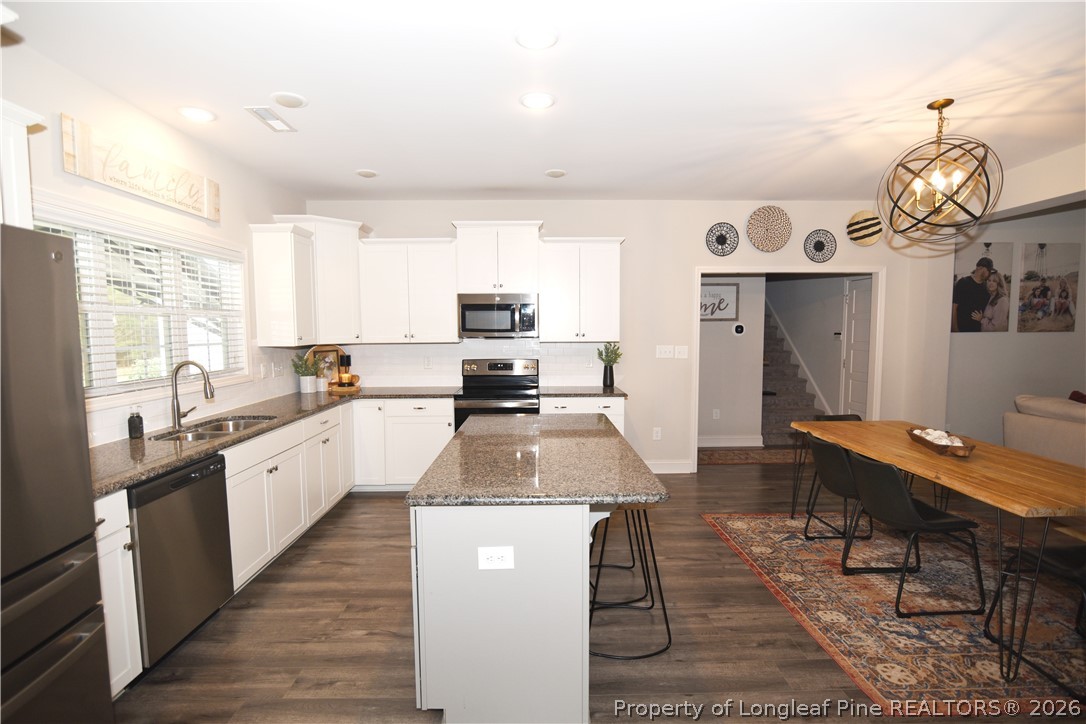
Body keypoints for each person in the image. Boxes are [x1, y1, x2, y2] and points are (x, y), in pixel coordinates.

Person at [952, 257, 992, 332]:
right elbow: (954, 307)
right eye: (989, 271)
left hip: (978, 331)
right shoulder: (963, 283)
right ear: (981, 268)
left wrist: (982, 318)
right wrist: (955, 329)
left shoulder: (986, 288)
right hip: (961, 330)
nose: (989, 274)